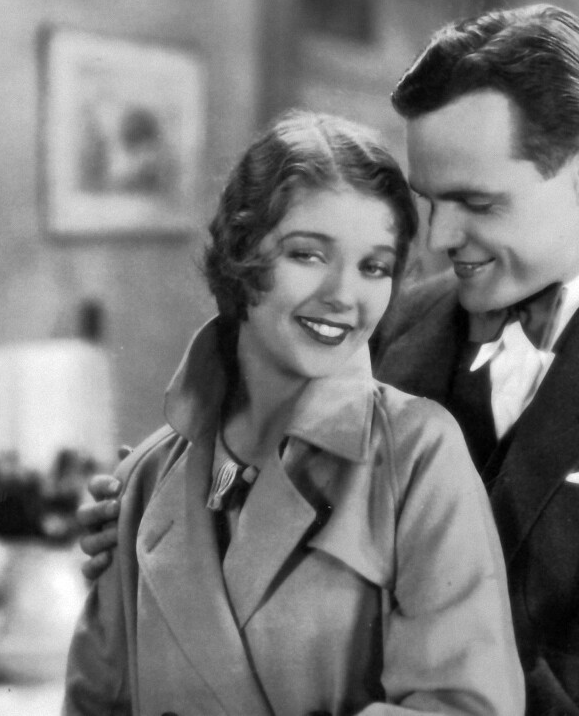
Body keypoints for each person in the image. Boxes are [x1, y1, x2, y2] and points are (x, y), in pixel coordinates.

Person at [78, 5, 579, 715]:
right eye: (429, 202)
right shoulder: (387, 320)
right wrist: (161, 534)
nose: (441, 238)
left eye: (477, 203)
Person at [63, 111, 524, 715]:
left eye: (374, 267)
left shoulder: (417, 454)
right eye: (307, 255)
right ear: (241, 252)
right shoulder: (144, 480)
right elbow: (94, 704)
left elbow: (468, 708)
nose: (343, 295)